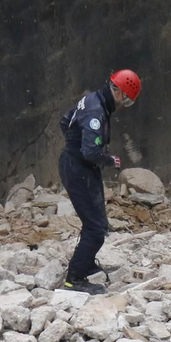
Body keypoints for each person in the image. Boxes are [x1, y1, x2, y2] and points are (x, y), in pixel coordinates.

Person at [57, 69, 142, 294]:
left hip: (77, 165)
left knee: (94, 221)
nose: (125, 106)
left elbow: (65, 122)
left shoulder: (92, 99)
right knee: (96, 228)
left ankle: (85, 262)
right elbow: (90, 151)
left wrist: (74, 146)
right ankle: (74, 278)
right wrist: (109, 160)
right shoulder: (96, 111)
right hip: (79, 169)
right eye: (127, 101)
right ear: (119, 93)